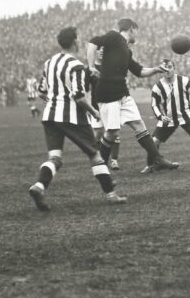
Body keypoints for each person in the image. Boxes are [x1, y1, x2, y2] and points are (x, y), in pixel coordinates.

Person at [29, 27, 127, 211]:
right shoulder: (76, 65)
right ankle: (111, 194)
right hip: (72, 117)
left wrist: (55, 101)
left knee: (55, 158)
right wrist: (94, 113)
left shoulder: (50, 62)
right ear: (75, 41)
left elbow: (41, 92)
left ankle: (39, 186)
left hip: (50, 115)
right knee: (94, 155)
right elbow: (79, 97)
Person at [86, 18, 176, 172]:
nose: (137, 35)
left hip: (122, 93)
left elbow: (139, 71)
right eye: (136, 31)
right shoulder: (115, 37)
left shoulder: (126, 50)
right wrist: (90, 66)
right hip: (108, 92)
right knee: (112, 133)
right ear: (131, 29)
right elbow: (93, 42)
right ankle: (100, 166)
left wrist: (156, 69)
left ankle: (158, 159)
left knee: (139, 125)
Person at [147, 60, 190, 173]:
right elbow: (154, 105)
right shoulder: (157, 86)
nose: (167, 70)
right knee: (154, 142)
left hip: (186, 116)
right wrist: (160, 116)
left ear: (174, 68)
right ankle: (150, 166)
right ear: (161, 70)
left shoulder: (184, 81)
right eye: (164, 68)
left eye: (169, 67)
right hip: (168, 118)